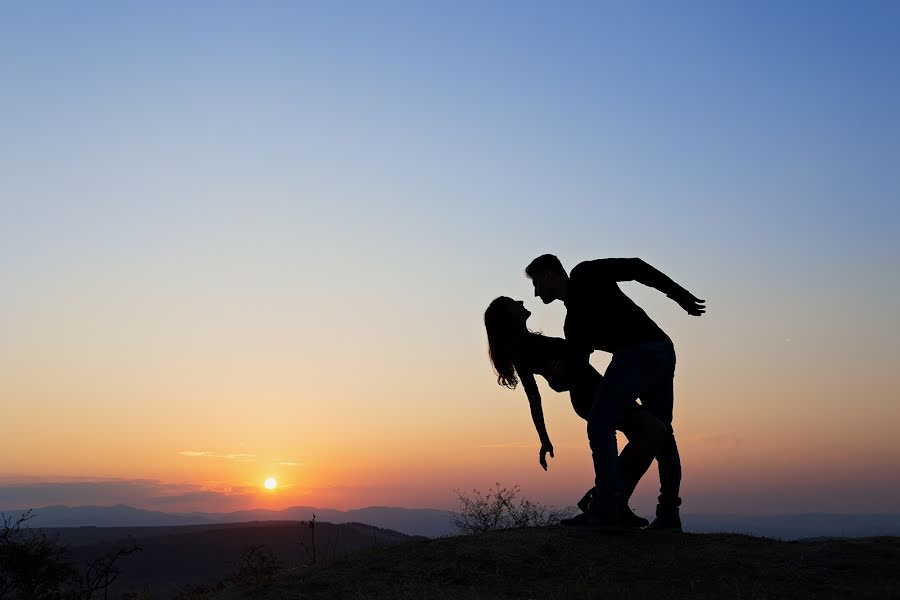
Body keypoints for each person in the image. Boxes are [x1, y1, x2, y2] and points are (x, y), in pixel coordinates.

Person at [525, 255, 705, 531]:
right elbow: (576, 371)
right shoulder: (573, 325)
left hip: (638, 353)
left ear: (550, 273)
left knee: (600, 425)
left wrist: (679, 296)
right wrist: (554, 375)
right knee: (661, 433)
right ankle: (668, 514)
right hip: (660, 351)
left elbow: (635, 267)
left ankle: (606, 509)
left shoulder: (584, 274)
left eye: (536, 282)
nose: (536, 292)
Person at [484, 296, 666, 527]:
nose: (520, 301)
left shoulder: (530, 343)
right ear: (509, 317)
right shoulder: (522, 351)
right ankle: (605, 501)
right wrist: (544, 438)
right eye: (513, 303)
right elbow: (535, 396)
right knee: (653, 431)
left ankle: (613, 502)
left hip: (599, 391)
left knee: (649, 434)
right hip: (591, 396)